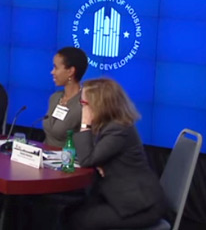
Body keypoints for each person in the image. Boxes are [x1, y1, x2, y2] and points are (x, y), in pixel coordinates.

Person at [67, 78, 167, 229]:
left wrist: (85, 123)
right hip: (121, 198)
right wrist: (98, 160)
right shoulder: (107, 125)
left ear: (99, 104)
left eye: (84, 104)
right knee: (69, 212)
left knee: (76, 219)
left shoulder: (118, 129)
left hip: (141, 207)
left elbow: (87, 159)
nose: (82, 108)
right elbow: (91, 155)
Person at [43, 47, 88, 147]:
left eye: (56, 68)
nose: (52, 72)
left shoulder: (84, 104)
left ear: (70, 71)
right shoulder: (55, 98)